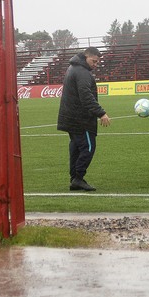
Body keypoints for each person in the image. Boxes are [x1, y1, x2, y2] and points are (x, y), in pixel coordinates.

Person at [57, 47, 111, 191]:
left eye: (97, 62)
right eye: (94, 61)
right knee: (88, 147)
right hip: (80, 119)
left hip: (70, 117)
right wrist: (101, 113)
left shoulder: (72, 68)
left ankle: (74, 178)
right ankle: (78, 178)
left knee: (75, 147)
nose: (95, 64)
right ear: (86, 56)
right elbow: (86, 97)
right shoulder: (82, 72)